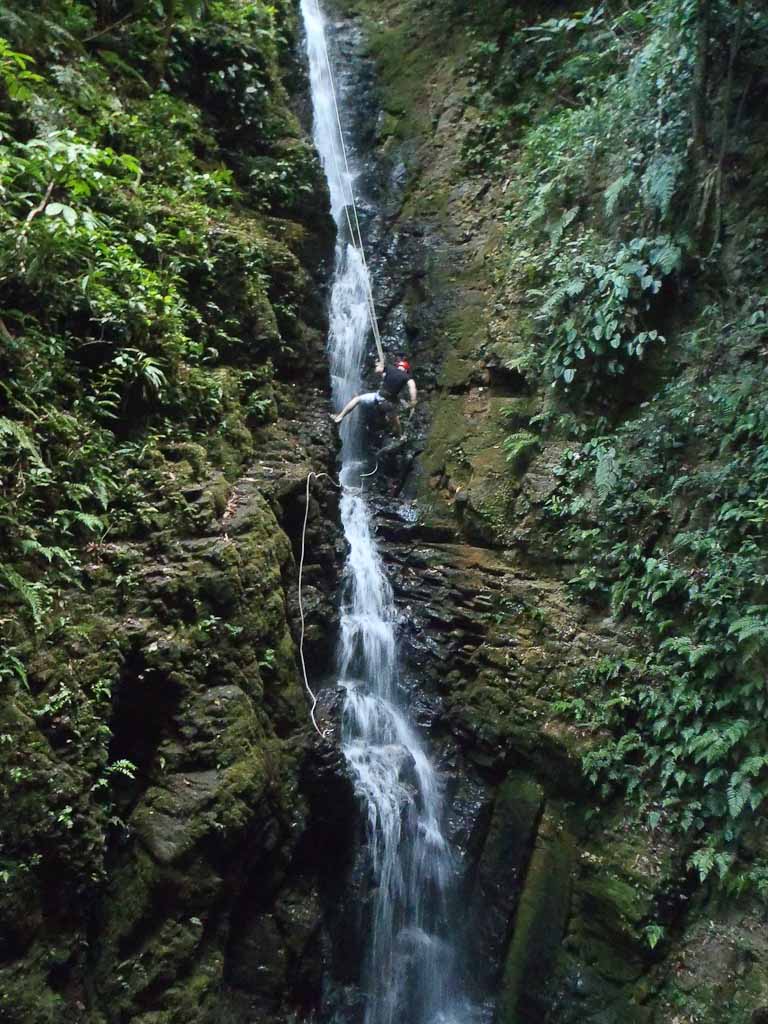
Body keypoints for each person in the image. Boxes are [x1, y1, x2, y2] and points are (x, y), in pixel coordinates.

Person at [331, 354, 417, 433]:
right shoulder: (407, 377)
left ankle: (340, 416)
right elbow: (412, 388)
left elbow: (378, 371)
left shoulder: (390, 368)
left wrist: (379, 365)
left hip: (378, 398)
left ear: (398, 366)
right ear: (406, 370)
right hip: (388, 404)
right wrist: (413, 401)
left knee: (357, 399)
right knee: (395, 418)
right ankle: (400, 434)